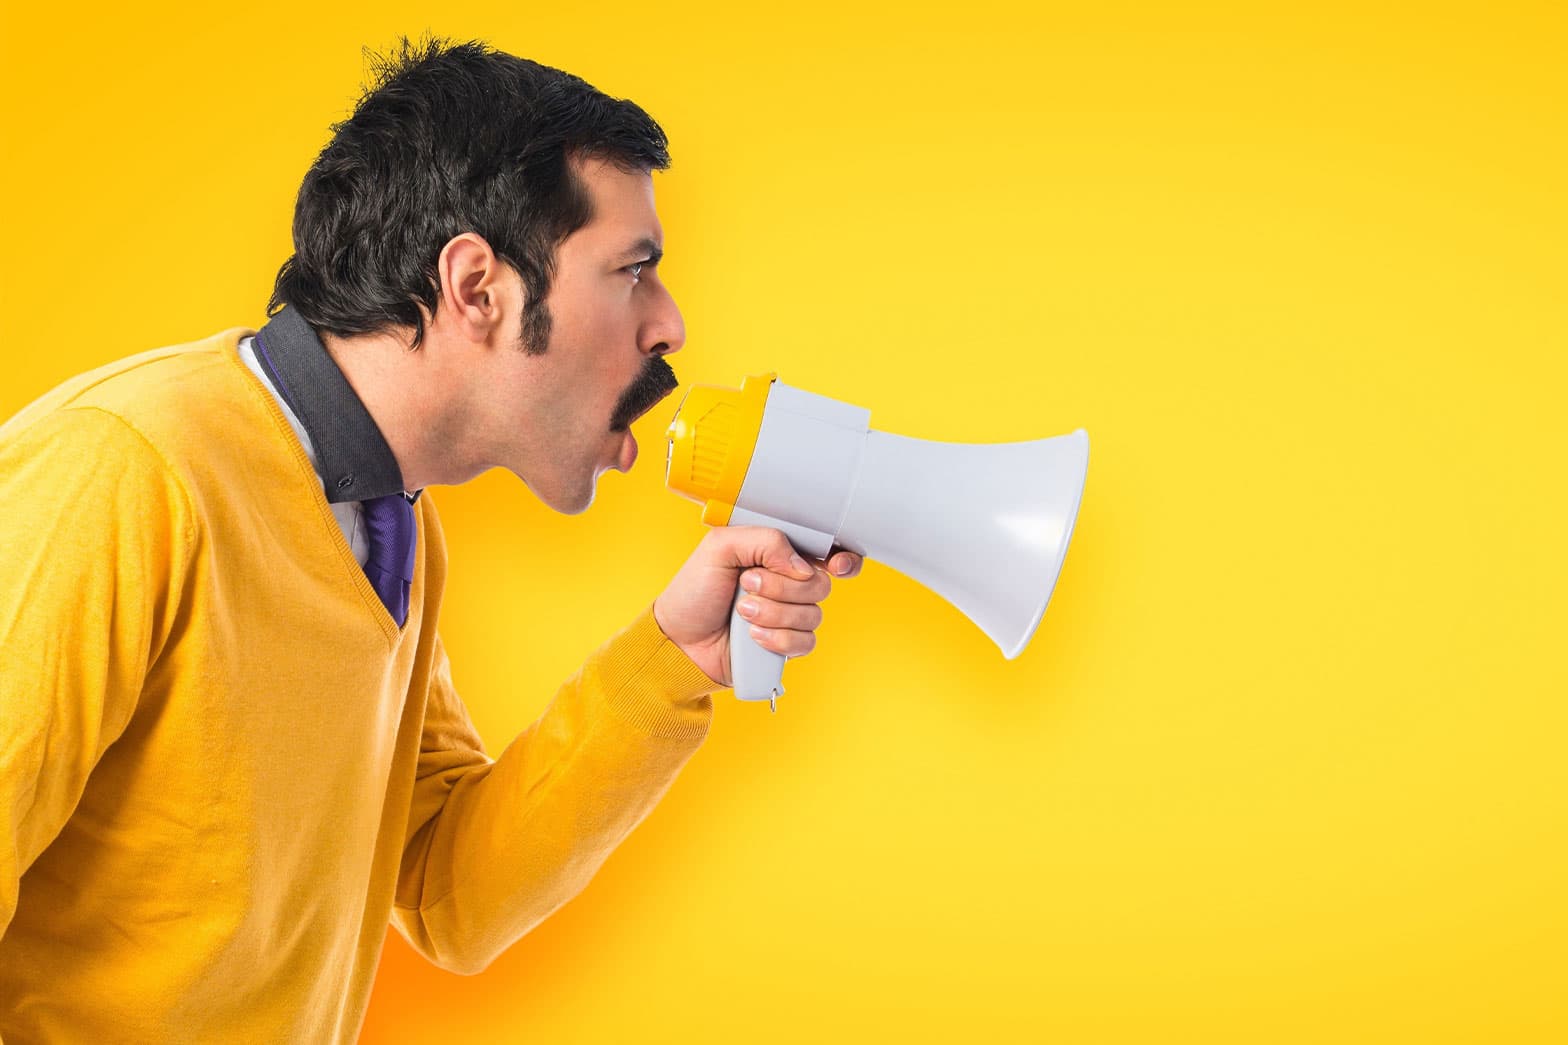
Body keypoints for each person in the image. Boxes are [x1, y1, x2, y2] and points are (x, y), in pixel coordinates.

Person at [0, 38, 860, 1042]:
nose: (668, 325)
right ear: (476, 287)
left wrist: (676, 653)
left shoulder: (388, 519)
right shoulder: (128, 470)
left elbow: (451, 893)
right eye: (631, 272)